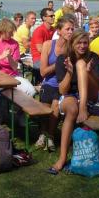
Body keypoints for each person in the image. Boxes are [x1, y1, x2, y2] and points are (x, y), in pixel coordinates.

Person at [48, 29, 99, 174]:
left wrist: (89, 73)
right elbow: (62, 90)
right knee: (72, 110)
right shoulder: (63, 59)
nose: (82, 46)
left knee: (81, 64)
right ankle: (62, 158)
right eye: (79, 43)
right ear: (72, 43)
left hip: (91, 95)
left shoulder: (94, 58)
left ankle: (83, 106)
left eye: (85, 43)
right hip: (70, 94)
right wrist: (69, 73)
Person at [36, 15, 76, 151]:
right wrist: (59, 63)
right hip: (48, 82)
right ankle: (43, 133)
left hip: (63, 84)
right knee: (45, 104)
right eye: (67, 29)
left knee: (55, 104)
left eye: (72, 29)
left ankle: (51, 135)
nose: (70, 32)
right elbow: (43, 72)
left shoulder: (72, 49)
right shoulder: (48, 45)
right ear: (59, 31)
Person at [0, 18, 36, 96]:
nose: (12, 35)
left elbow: (15, 67)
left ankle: (17, 104)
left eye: (12, 32)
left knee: (31, 90)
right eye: (10, 32)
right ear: (2, 31)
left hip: (12, 76)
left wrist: (9, 57)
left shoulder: (14, 44)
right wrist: (2, 56)